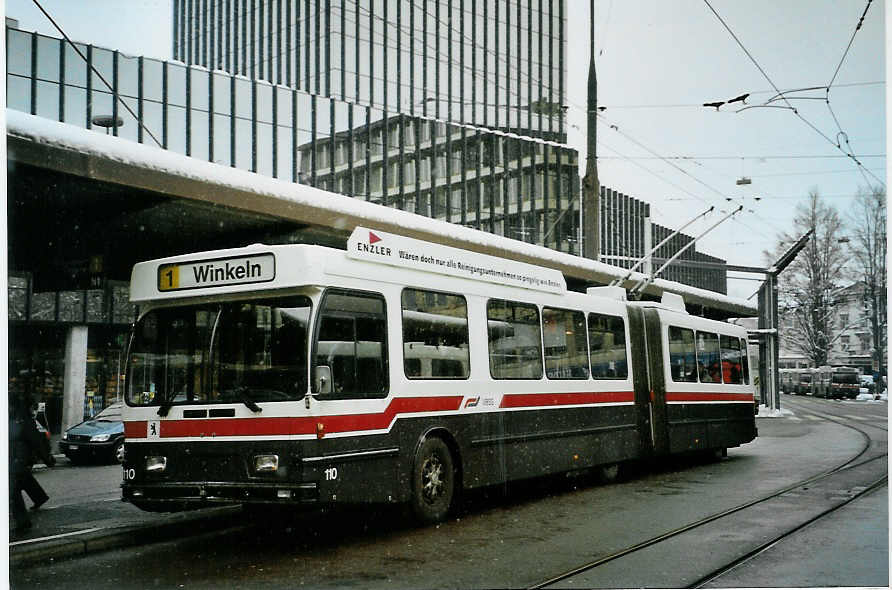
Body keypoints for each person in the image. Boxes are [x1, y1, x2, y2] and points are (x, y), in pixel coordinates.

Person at [9, 397, 55, 531]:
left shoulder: (24, 421)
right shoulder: (18, 420)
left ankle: (23, 522)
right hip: (17, 459)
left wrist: (47, 459)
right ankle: (39, 497)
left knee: (13, 490)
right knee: (23, 479)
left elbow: (36, 442)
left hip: (18, 459)